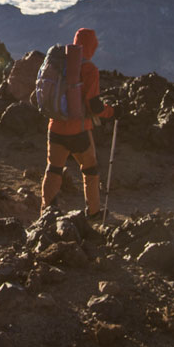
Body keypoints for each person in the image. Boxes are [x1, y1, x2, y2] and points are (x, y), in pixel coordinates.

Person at [40, 27, 114, 219]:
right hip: (79, 131)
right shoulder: (89, 69)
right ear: (91, 46)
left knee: (54, 169)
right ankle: (94, 212)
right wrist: (112, 111)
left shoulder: (57, 63)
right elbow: (94, 106)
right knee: (90, 169)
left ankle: (46, 212)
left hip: (55, 128)